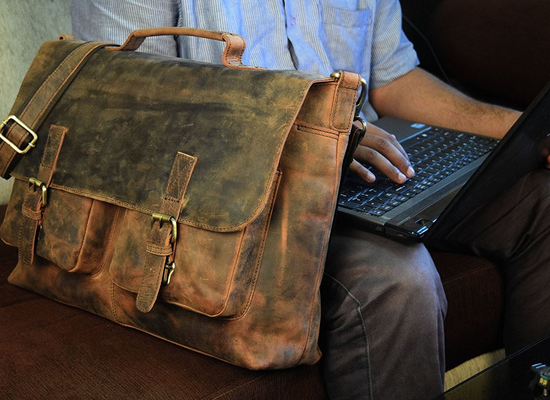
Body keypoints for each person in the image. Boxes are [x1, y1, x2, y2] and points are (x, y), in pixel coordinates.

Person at [70, 1, 550, 399]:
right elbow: (139, 112)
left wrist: (524, 129)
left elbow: (394, 79)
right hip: (235, 192)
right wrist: (315, 135)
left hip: (365, 163)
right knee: (400, 283)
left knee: (543, 204)